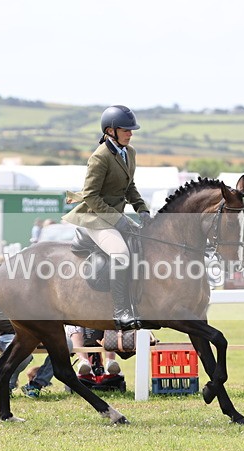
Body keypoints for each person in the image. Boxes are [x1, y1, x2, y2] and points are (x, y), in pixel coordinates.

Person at [62, 105, 150, 330]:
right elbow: (91, 196)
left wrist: (142, 209)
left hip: (115, 215)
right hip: (96, 218)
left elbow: (129, 186)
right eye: (126, 130)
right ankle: (121, 311)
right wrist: (117, 220)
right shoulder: (100, 157)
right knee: (121, 254)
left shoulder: (129, 152)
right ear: (111, 131)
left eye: (131, 130)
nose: (130, 134)